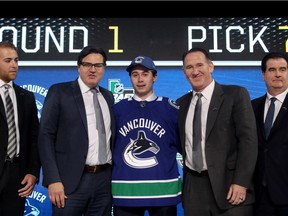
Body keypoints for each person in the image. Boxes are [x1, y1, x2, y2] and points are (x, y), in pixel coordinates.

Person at [176, 47, 258, 216]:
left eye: (199, 65)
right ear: (184, 72)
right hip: (194, 189)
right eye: (189, 67)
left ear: (211, 66)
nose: (195, 71)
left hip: (230, 187)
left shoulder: (235, 94)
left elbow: (248, 142)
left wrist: (241, 182)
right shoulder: (181, 103)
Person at [38, 46, 115, 216]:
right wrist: (53, 180)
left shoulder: (108, 97)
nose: (93, 69)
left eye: (98, 65)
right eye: (87, 64)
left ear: (104, 68)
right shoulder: (59, 92)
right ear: (78, 67)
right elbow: (45, 137)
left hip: (104, 180)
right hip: (69, 182)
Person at [111, 55, 182, 216]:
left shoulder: (170, 109)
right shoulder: (117, 110)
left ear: (154, 77)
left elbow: (183, 145)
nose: (140, 79)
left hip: (163, 191)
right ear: (130, 78)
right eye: (135, 74)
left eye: (145, 73)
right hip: (126, 191)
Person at [0, 41, 41, 215]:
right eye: (8, 60)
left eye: (16, 60)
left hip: (17, 175)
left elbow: (34, 139)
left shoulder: (26, 97)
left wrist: (32, 172)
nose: (14, 65)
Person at [252, 52, 288, 216]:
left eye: (283, 69)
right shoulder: (252, 107)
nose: (278, 74)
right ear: (263, 75)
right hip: (259, 195)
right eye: (272, 70)